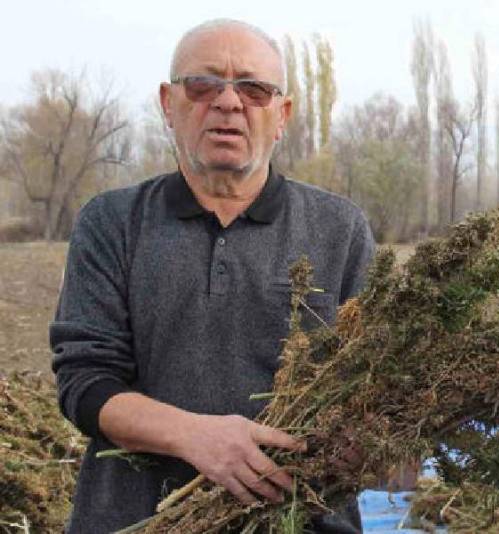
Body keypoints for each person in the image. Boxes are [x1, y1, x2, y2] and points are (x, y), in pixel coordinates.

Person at [51, 19, 374, 533]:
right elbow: (84, 384)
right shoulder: (111, 223)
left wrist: (382, 442)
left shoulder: (340, 229)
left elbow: (372, 377)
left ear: (282, 114)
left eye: (253, 88)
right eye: (203, 85)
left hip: (298, 520)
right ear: (168, 103)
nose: (228, 102)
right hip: (138, 521)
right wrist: (195, 437)